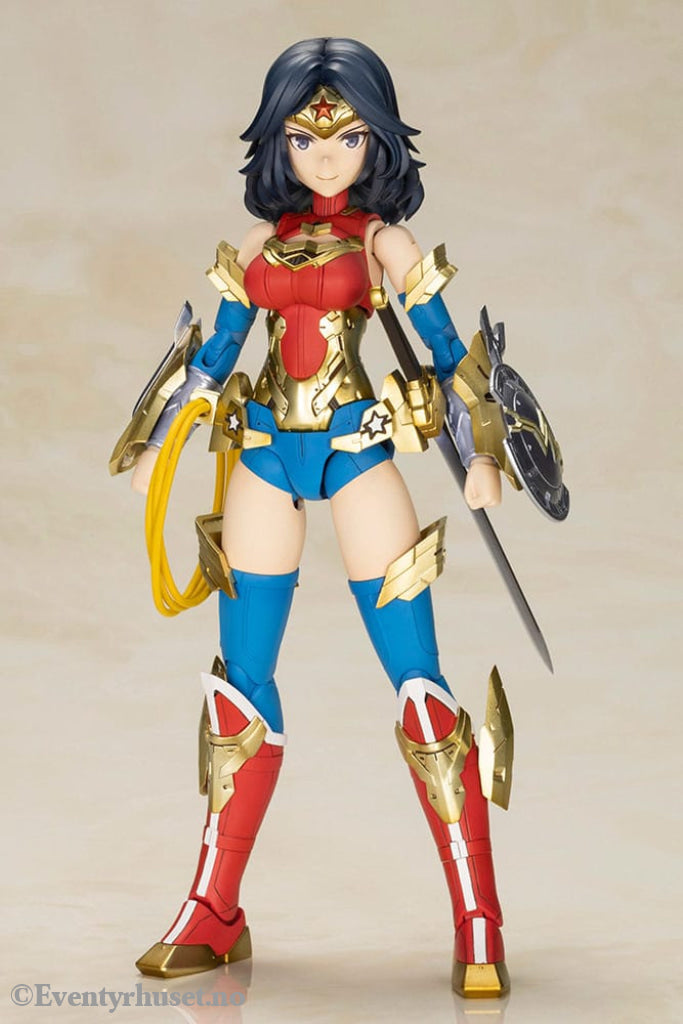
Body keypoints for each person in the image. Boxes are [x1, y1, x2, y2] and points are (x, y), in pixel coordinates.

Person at [122, 37, 513, 998]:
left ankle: (479, 918)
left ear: (376, 138)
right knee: (238, 691)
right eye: (303, 136)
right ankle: (214, 910)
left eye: (344, 136)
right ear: (278, 141)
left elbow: (448, 354)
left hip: (355, 446)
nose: (324, 154)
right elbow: (214, 356)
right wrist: (162, 440)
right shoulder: (259, 244)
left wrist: (484, 452)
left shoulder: (384, 243)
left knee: (419, 689)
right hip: (264, 450)